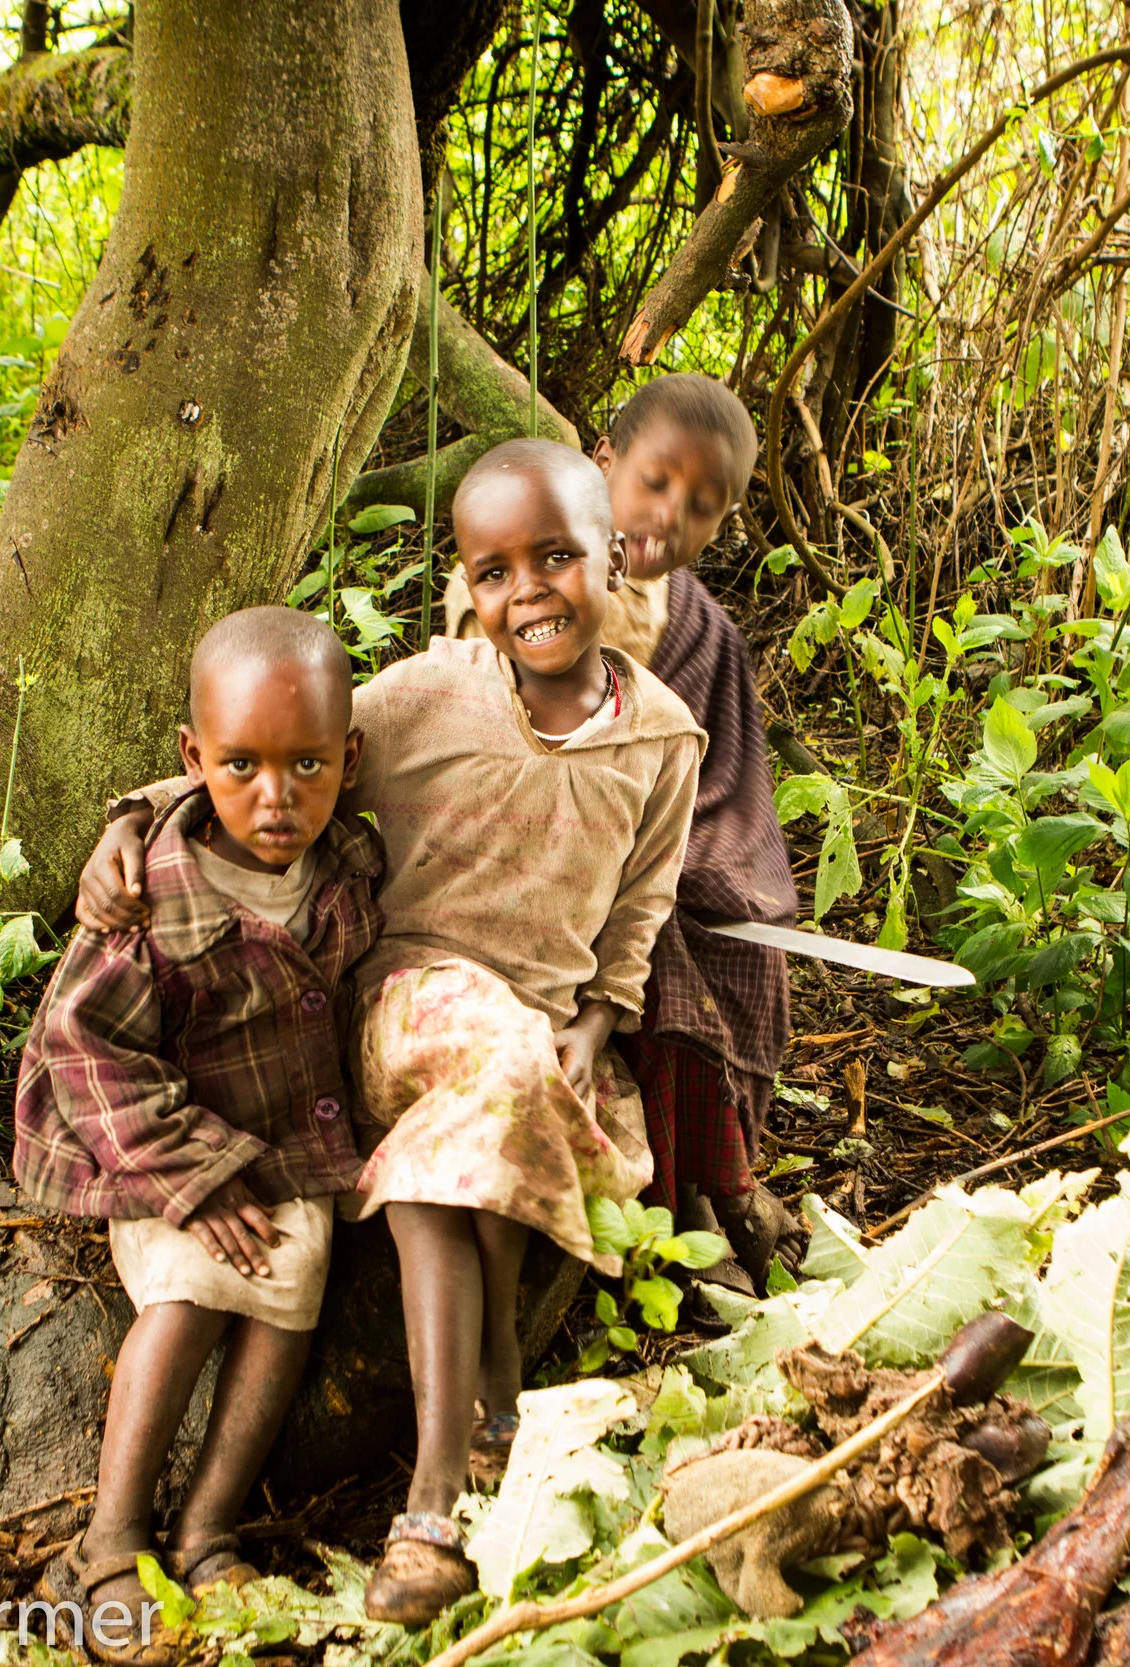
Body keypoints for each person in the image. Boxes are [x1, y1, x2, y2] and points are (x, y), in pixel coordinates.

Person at [79, 440, 703, 1625]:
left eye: (558, 558)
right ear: (465, 585)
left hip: (528, 1037)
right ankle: (449, 1473)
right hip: (400, 1004)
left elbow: (642, 905)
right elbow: (271, 753)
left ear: (612, 558)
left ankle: (476, 1443)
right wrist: (132, 819)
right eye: (493, 570)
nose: (527, 593)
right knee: (489, 1060)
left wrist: (604, 1012)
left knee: (508, 1077)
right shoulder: (428, 692)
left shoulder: (662, 739)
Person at [14, 607, 381, 1664]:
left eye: (308, 763)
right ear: (191, 761)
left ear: (349, 757)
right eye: (241, 766)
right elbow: (80, 1044)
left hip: (280, 1143)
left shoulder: (348, 861)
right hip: (143, 1141)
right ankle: (111, 1537)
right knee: (186, 1296)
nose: (277, 796)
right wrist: (192, 1176)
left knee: (289, 1290)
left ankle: (210, 1526)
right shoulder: (146, 897)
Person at [442, 374, 795, 1289]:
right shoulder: (512, 580)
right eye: (656, 482)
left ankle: (719, 1191)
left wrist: (699, 868)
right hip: (527, 843)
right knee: (646, 942)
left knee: (711, 934)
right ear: (604, 462)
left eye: (703, 507)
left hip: (654, 853)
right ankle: (681, 1213)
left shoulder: (702, 629)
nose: (670, 515)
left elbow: (717, 788)